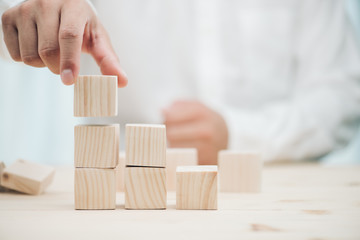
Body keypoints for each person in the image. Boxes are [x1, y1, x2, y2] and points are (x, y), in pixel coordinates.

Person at [1, 0, 360, 164]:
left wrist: (239, 135)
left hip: (276, 187)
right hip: (122, 195)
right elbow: (19, 10)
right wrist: (26, 11)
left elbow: (342, 97)